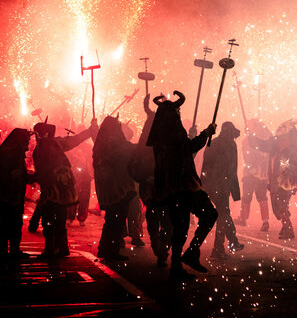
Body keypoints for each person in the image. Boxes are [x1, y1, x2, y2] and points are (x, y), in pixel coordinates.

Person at [147, 91, 218, 281]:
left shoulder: (160, 135)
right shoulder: (172, 132)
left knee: (181, 226)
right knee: (208, 215)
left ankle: (179, 264)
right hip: (183, 185)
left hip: (171, 187)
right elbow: (187, 149)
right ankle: (188, 256)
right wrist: (205, 134)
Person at [32, 117, 98, 259]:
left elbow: (74, 140)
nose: (36, 136)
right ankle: (61, 248)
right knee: (59, 219)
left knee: (49, 220)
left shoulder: (48, 145)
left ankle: (51, 250)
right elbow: (75, 140)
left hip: (51, 191)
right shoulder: (56, 144)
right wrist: (90, 131)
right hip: (62, 190)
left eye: (37, 133)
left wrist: (90, 131)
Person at [128, 94, 172, 266]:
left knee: (167, 221)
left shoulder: (169, 140)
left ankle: (163, 249)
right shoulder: (146, 144)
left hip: (166, 186)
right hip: (152, 187)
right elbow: (137, 165)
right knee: (154, 219)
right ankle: (157, 246)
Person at [248, 119, 297, 240]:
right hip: (275, 182)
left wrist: (291, 171)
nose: (280, 140)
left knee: (281, 204)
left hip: (287, 182)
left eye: (283, 138)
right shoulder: (275, 146)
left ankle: (288, 228)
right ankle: (285, 226)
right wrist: (251, 137)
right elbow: (262, 145)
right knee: (277, 206)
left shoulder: (295, 152)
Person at [93, 116, 137, 261]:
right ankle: (110, 251)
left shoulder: (103, 144)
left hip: (112, 189)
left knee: (113, 220)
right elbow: (125, 151)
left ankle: (106, 249)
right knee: (115, 220)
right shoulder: (110, 145)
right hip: (116, 190)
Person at [202, 121, 245, 259]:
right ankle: (219, 248)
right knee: (223, 215)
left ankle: (232, 242)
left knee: (223, 213)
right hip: (221, 185)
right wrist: (235, 192)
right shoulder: (231, 145)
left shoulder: (213, 142)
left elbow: (205, 165)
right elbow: (232, 170)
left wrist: (203, 184)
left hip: (210, 184)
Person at [0, 128, 34, 260]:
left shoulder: (13, 152)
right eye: (26, 141)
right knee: (8, 222)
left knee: (14, 222)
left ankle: (12, 249)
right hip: (8, 195)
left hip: (14, 194)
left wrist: (29, 177)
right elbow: (2, 175)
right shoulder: (9, 154)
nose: (27, 145)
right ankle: (5, 250)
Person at [235, 119, 272, 231]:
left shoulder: (250, 140)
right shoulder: (267, 139)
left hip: (251, 174)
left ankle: (243, 218)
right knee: (262, 197)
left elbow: (247, 155)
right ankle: (265, 221)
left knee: (247, 196)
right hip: (262, 175)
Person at [66, 124, 93, 227]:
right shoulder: (73, 146)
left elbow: (91, 160)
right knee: (73, 196)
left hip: (86, 176)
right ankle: (70, 216)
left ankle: (82, 217)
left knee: (84, 197)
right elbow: (69, 159)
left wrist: (85, 160)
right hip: (75, 175)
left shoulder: (89, 147)